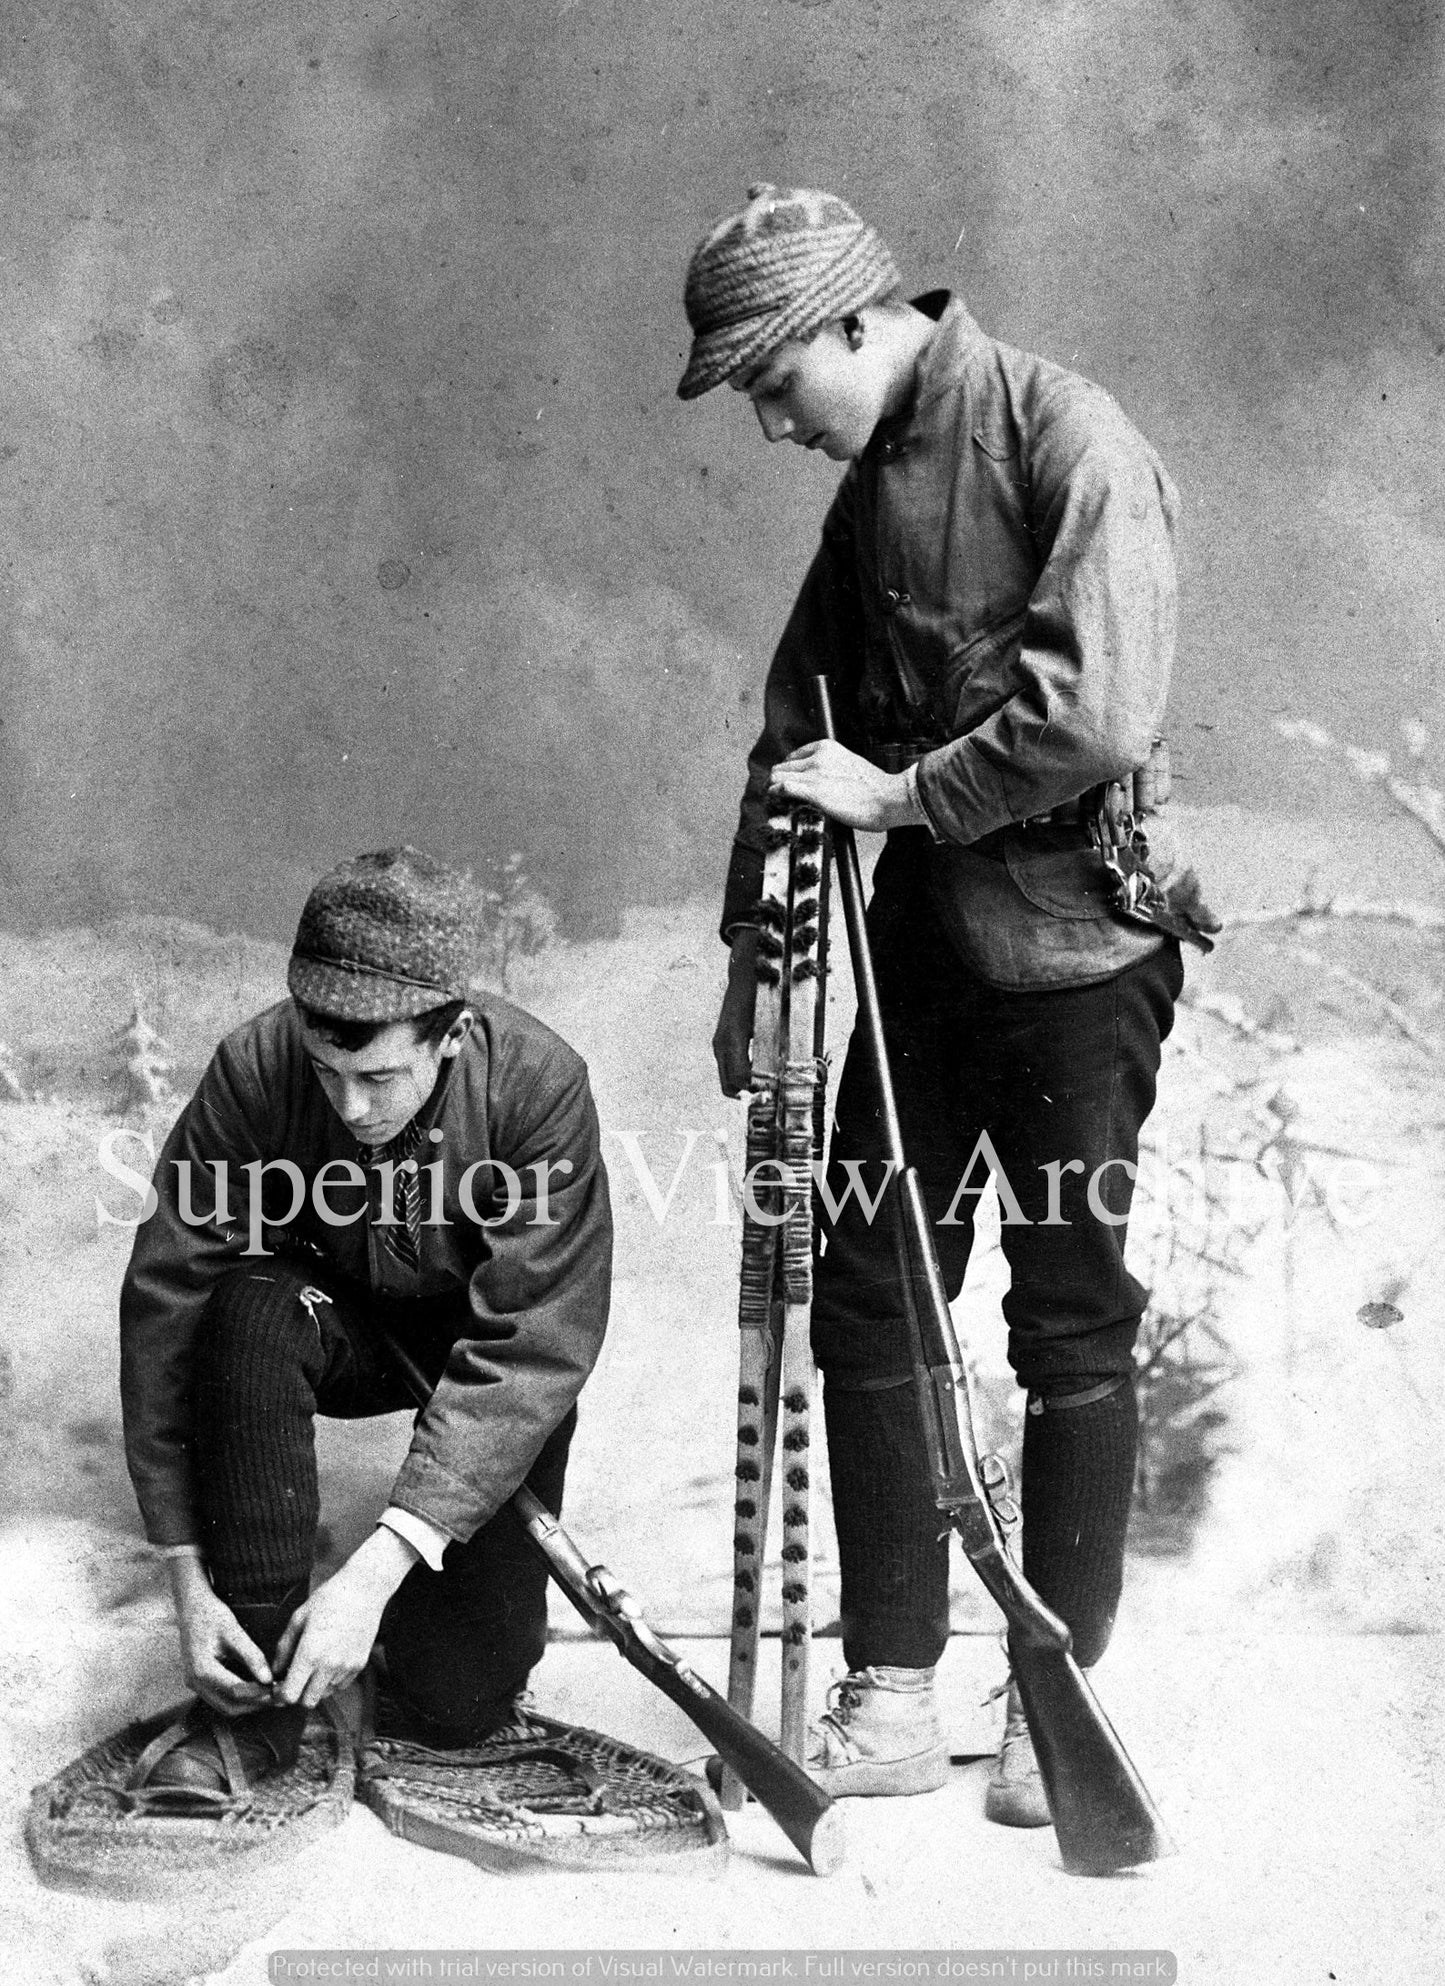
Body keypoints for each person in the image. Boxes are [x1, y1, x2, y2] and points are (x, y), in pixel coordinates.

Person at [678, 185, 1214, 1824]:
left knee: (1066, 1312)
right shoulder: (870, 491)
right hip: (919, 958)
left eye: (776, 379)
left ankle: (1060, 1682)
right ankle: (894, 1687)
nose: (771, 421)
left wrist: (897, 801)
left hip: (1076, 957)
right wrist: (751, 961)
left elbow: (1094, 717)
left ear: (858, 324)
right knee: (870, 1296)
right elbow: (798, 730)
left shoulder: (1074, 439)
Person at [119, 846, 612, 1799]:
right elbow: (167, 1304)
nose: (350, 1106)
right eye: (326, 1070)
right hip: (323, 1319)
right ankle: (256, 1702)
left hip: (478, 1358)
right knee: (248, 1310)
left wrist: (376, 1569)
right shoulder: (255, 1067)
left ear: (454, 1033)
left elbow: (536, 1342)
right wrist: (185, 1569)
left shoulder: (540, 1086)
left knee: (456, 1708)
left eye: (380, 1077)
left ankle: (398, 1650)